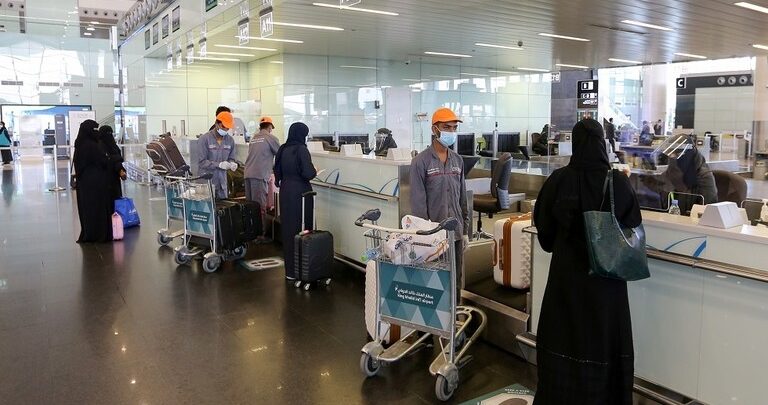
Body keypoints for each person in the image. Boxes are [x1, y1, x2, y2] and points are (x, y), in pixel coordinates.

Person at [533, 118, 642, 404]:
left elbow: (545, 237)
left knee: (563, 339)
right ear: (602, 144)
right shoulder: (618, 182)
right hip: (607, 288)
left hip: (566, 283)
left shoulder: (558, 181)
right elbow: (633, 224)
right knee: (604, 343)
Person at [410, 107, 470, 288]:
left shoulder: (458, 160)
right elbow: (418, 204)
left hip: (456, 232)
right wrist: (425, 237)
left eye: (454, 128)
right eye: (446, 127)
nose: (451, 132)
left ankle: (456, 307)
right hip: (434, 236)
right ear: (434, 130)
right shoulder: (421, 162)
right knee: (435, 283)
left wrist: (465, 231)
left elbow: (462, 199)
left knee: (455, 281)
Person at [274, 122, 317, 280]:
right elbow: (308, 173)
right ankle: (303, 270)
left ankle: (290, 272)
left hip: (286, 192)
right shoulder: (301, 149)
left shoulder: (283, 148)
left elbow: (277, 171)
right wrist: (315, 171)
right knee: (303, 229)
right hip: (301, 193)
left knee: (288, 230)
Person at [73, 120, 115, 243]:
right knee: (97, 209)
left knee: (87, 210)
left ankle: (89, 233)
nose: (96, 132)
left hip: (84, 183)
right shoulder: (91, 145)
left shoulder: (80, 144)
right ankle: (98, 234)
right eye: (94, 129)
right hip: (96, 182)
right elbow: (102, 161)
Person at [244, 116, 280, 241]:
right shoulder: (271, 138)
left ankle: (250, 233)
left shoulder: (254, 138)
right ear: (270, 127)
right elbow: (280, 154)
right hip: (259, 176)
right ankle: (260, 235)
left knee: (250, 206)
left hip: (248, 174)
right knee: (259, 207)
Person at [661, 134, 718, 208]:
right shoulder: (668, 174)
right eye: (670, 155)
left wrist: (681, 186)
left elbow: (708, 208)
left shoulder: (704, 177)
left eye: (677, 155)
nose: (673, 160)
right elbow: (662, 205)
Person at [198, 111, 238, 199]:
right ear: (216, 124)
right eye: (223, 127)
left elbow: (231, 158)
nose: (225, 130)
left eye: (227, 128)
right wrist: (219, 164)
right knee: (208, 206)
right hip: (207, 184)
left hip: (222, 184)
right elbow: (202, 162)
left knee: (223, 206)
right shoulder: (204, 139)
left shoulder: (230, 140)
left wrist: (231, 164)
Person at [98, 125, 126, 201]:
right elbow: (105, 160)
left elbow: (117, 159)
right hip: (105, 177)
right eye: (108, 133)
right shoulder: (100, 146)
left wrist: (120, 169)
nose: (109, 135)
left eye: (110, 133)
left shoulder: (112, 145)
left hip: (113, 177)